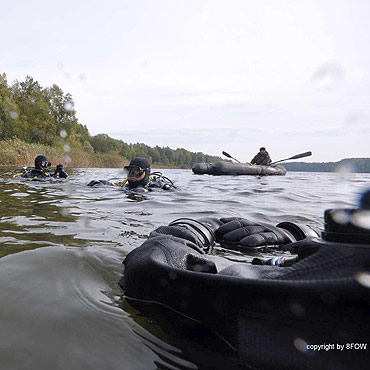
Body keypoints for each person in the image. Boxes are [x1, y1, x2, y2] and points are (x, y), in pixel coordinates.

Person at [87, 157, 175, 191]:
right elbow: (112, 185)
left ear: (146, 172)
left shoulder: (156, 186)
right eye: (129, 170)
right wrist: (100, 183)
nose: (131, 174)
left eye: (136, 171)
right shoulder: (124, 185)